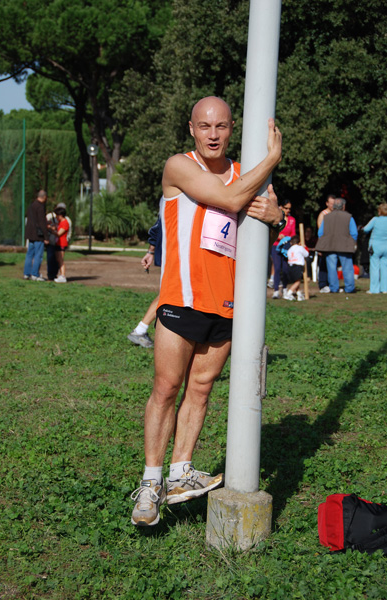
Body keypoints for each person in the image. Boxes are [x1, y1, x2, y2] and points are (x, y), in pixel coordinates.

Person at [130, 96, 283, 527]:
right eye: (204, 126)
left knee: (201, 390)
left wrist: (278, 215)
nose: (213, 135)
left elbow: (271, 213)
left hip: (229, 304)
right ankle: (150, 482)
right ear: (192, 129)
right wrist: (272, 158)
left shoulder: (242, 172)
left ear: (232, 128)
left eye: (221, 126)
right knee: (166, 388)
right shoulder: (179, 167)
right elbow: (231, 199)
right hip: (180, 298)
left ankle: (180, 473)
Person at [127, 217, 162, 348]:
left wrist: (151, 251)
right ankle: (140, 330)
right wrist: (151, 251)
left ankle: (140, 330)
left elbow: (158, 224)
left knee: (171, 293)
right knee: (170, 293)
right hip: (178, 252)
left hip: (177, 251)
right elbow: (160, 223)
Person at [315, 197, 358, 293]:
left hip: (330, 246)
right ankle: (349, 288)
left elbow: (320, 233)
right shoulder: (349, 217)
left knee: (331, 269)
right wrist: (352, 242)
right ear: (343, 206)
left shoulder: (326, 217)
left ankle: (334, 288)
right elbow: (354, 233)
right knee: (347, 268)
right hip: (345, 246)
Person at [271, 199, 296, 299]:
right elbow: (272, 232)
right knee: (277, 268)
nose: (287, 210)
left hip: (286, 247)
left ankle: (285, 288)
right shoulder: (276, 218)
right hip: (276, 246)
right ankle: (276, 290)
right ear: (281, 207)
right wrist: (278, 236)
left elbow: (293, 234)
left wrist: (287, 239)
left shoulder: (292, 220)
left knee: (285, 268)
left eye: (289, 209)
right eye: (286, 208)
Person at [23, 190, 49, 281]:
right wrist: (46, 236)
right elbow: (42, 223)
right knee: (38, 255)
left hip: (30, 233)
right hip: (38, 235)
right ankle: (35, 274)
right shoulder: (40, 207)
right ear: (44, 197)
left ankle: (26, 273)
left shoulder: (31, 206)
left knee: (29, 254)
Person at [362, 203, 387, 294]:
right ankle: (385, 288)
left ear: (379, 211)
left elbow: (366, 229)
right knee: (385, 267)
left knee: (374, 267)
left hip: (376, 245)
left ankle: (374, 289)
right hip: (386, 246)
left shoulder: (375, 219)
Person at [316, 194, 336, 293]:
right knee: (323, 263)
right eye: (331, 203)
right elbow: (320, 229)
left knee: (332, 263)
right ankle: (323, 283)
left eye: (334, 203)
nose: (332, 205)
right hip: (325, 242)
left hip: (334, 243)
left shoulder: (337, 214)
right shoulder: (323, 214)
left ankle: (331, 282)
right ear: (327, 203)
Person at [284, 235, 309, 301]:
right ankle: (288, 293)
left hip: (290, 266)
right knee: (298, 282)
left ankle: (299, 295)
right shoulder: (300, 248)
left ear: (291, 243)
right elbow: (306, 254)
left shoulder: (289, 250)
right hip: (297, 266)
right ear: (299, 242)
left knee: (296, 281)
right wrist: (305, 247)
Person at [53, 207, 70, 283]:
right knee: (58, 260)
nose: (56, 217)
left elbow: (59, 234)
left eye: (57, 215)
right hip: (58, 243)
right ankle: (60, 275)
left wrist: (51, 229)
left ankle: (63, 276)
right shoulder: (60, 223)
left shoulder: (65, 223)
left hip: (62, 243)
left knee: (60, 260)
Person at [46, 207, 59, 281]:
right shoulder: (49, 216)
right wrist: (51, 228)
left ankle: (54, 274)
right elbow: (45, 225)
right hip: (51, 239)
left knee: (56, 258)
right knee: (51, 257)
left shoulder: (63, 218)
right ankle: (51, 274)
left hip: (57, 240)